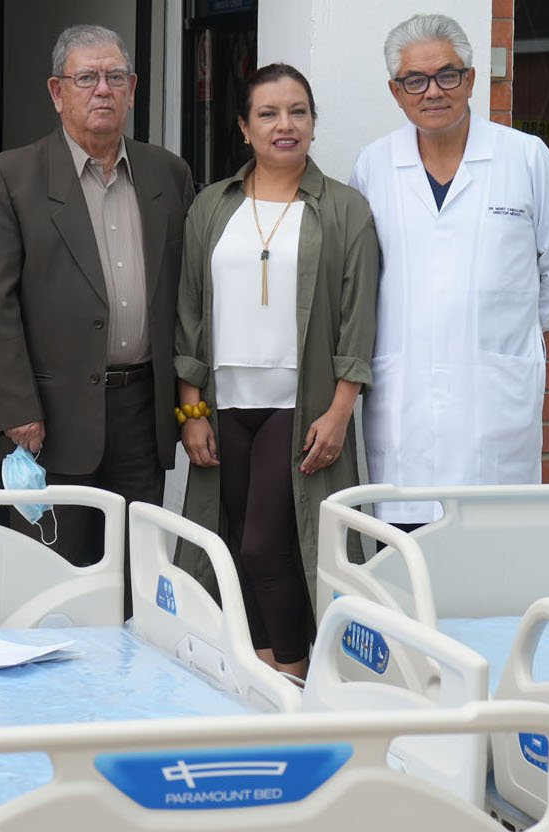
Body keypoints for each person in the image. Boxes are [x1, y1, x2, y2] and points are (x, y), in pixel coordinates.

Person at [0, 25, 195, 578]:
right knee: (55, 574)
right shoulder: (11, 177)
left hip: (143, 409)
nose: (103, 90)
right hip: (49, 417)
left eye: (115, 77)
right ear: (56, 91)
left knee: (135, 574)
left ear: (133, 88)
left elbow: (189, 294)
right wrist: (16, 409)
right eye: (86, 78)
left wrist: (191, 405)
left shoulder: (167, 172)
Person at [176, 63, 379, 679]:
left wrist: (341, 410)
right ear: (244, 127)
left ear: (314, 125)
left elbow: (356, 320)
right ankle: (263, 667)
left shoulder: (344, 209)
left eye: (297, 112)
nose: (283, 125)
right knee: (237, 544)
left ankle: (292, 673)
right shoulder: (213, 206)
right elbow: (190, 311)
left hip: (301, 406)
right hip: (226, 404)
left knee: (272, 545)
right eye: (268, 113)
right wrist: (191, 409)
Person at [350, 13, 549, 527]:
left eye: (447, 75)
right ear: (396, 92)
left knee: (495, 556)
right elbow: (360, 278)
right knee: (405, 561)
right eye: (414, 80)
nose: (431, 91)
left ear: (472, 79)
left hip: (495, 399)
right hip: (403, 400)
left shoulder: (524, 157)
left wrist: (504, 329)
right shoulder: (373, 166)